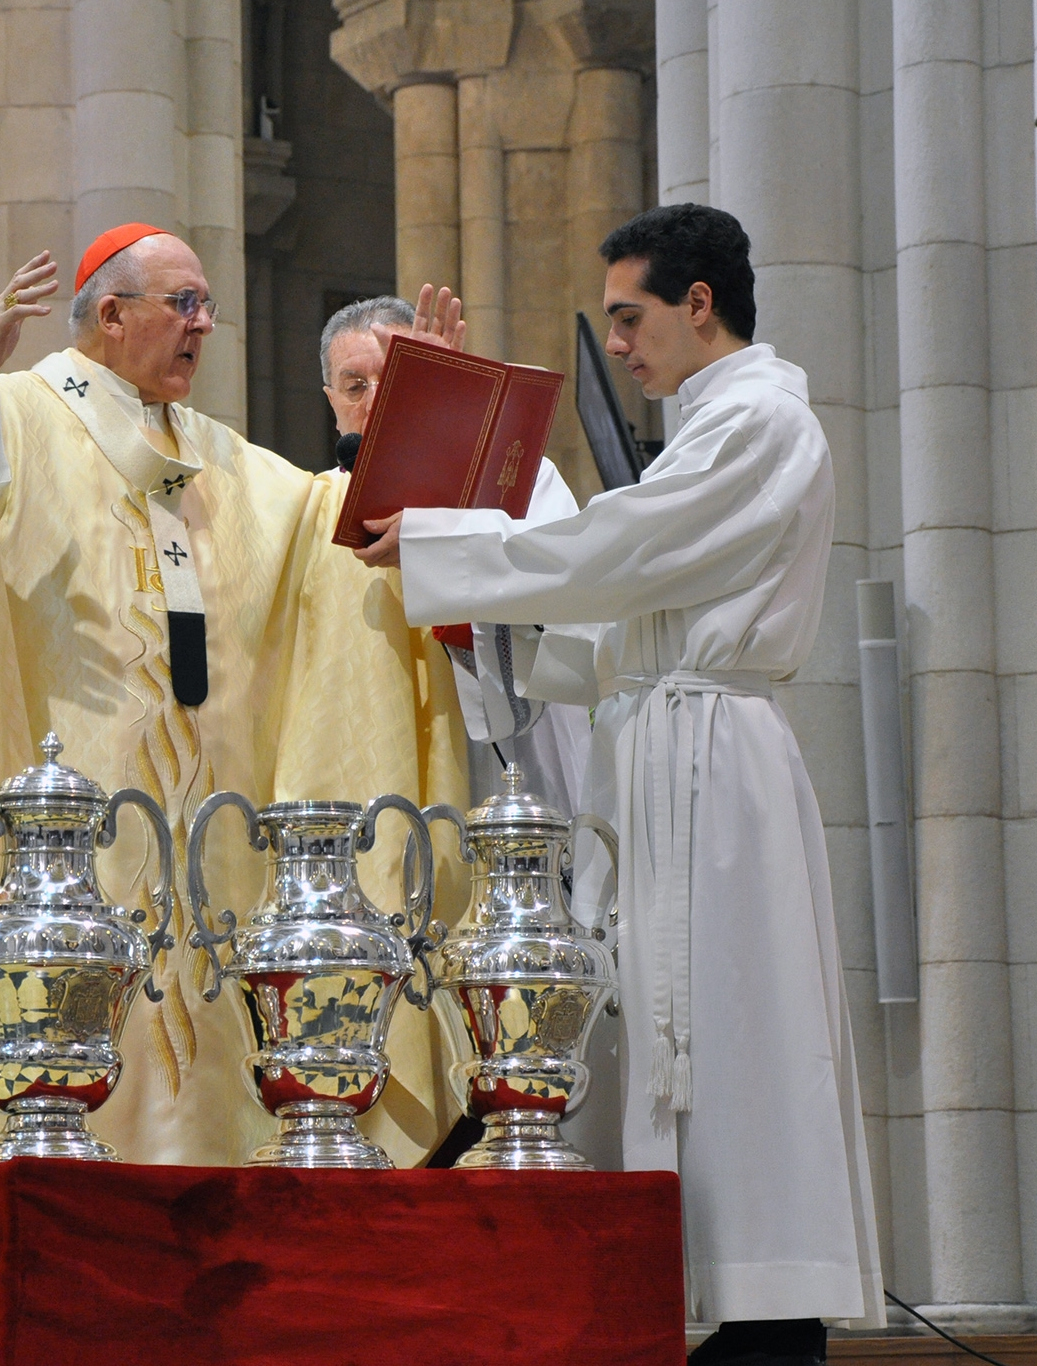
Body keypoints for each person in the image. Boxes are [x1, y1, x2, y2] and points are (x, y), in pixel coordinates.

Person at [0, 225, 469, 1288]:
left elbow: (342, 527)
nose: (202, 324)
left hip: (211, 858)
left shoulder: (221, 458)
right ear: (108, 313)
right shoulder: (21, 416)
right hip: (70, 856)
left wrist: (433, 408)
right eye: (181, 302)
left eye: (206, 304)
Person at [354, 203, 881, 1364]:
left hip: (717, 773)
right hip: (664, 750)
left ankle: (761, 1313)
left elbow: (621, 546)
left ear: (699, 304)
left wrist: (453, 545)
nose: (622, 345)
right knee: (663, 1028)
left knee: (731, 1033)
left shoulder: (758, 420)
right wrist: (480, 618)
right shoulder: (708, 424)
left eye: (629, 317)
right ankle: (692, 1293)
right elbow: (614, 627)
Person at [320, 291, 591, 818]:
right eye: (355, 386)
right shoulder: (316, 504)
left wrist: (446, 514)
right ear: (332, 404)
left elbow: (564, 604)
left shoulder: (524, 479)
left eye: (396, 379)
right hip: (385, 760)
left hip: (514, 760)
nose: (375, 401)